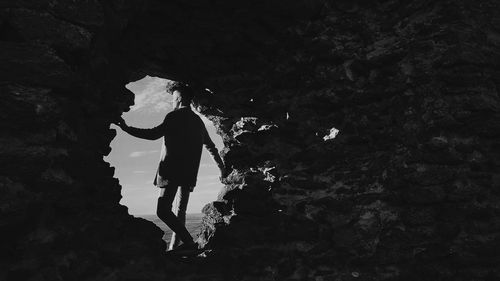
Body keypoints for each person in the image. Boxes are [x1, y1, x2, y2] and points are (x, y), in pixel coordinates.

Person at [113, 81, 227, 252]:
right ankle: (176, 246)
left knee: (163, 211)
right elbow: (211, 147)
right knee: (180, 211)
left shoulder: (173, 116)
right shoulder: (198, 121)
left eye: (173, 99)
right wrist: (222, 169)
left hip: (171, 171)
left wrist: (127, 129)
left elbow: (152, 134)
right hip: (189, 175)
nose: (172, 102)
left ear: (179, 99)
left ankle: (189, 244)